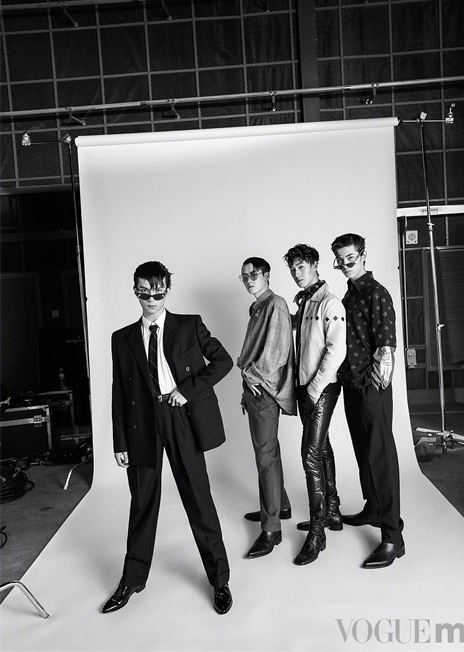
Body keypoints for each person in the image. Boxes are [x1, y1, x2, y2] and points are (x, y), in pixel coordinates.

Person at [102, 261, 233, 615]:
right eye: (143, 292)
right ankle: (132, 579)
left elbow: (223, 361)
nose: (151, 299)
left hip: (180, 418)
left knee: (198, 499)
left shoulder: (189, 325)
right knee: (142, 502)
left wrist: (187, 390)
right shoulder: (122, 338)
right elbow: (118, 392)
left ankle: (220, 580)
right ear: (135, 291)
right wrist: (119, 442)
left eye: (157, 293)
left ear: (167, 290)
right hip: (141, 425)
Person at [330, 233, 404, 569]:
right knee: (363, 451)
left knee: (381, 456)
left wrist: (375, 387)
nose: (346, 264)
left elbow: (386, 347)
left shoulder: (376, 293)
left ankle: (393, 537)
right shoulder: (349, 294)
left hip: (371, 387)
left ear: (362, 255)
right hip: (351, 383)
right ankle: (373, 507)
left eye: (350, 258)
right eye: (340, 259)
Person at [283, 244, 346, 565]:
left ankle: (317, 532)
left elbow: (336, 350)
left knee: (309, 455)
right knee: (322, 449)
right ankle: (332, 511)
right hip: (305, 387)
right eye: (292, 268)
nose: (297, 273)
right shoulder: (306, 301)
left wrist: (315, 388)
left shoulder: (329, 302)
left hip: (321, 389)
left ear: (315, 265)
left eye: (302, 267)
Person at [237, 257, 296, 558]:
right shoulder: (258, 307)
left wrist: (251, 377)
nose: (249, 280)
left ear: (267, 275)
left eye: (254, 274)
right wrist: (246, 385)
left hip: (265, 391)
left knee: (265, 458)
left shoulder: (276, 304)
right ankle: (280, 506)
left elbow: (276, 353)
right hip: (255, 390)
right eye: (244, 276)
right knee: (269, 451)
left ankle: (271, 529)